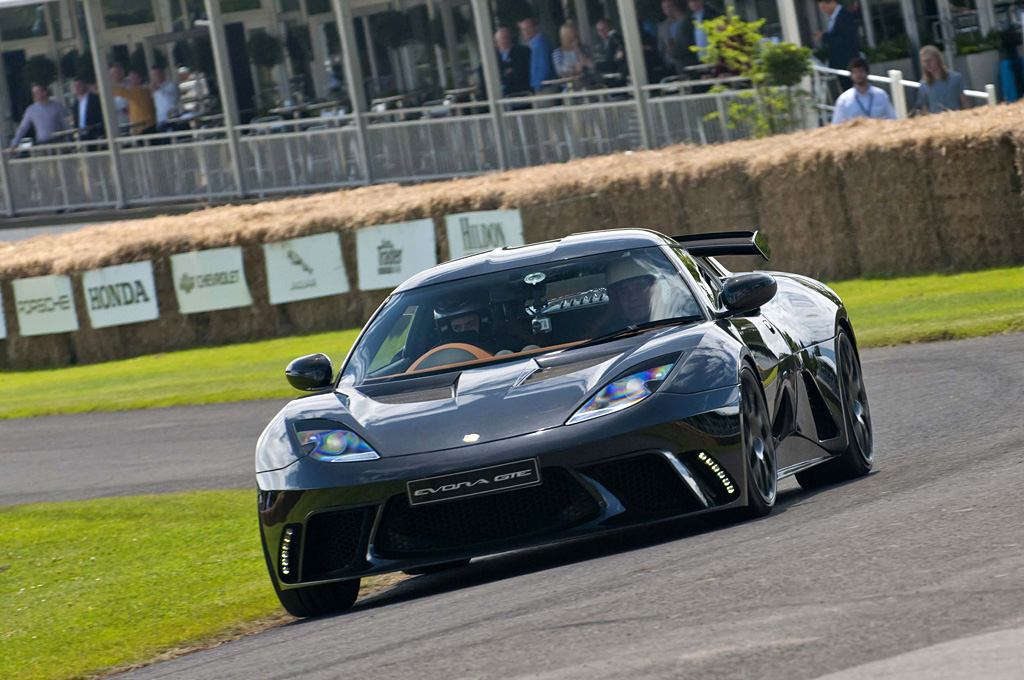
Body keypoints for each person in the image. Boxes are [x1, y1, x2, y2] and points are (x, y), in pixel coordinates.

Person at [831, 58, 896, 124]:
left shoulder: (881, 95)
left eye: (861, 71)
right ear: (851, 75)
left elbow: (892, 119)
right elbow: (837, 124)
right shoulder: (844, 99)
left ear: (867, 73)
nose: (858, 75)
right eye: (855, 72)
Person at [814, 0, 859, 87]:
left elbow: (843, 38)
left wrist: (824, 37)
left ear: (832, 2)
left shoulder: (844, 16)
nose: (823, 10)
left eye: (824, 7)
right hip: (840, 64)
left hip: (846, 62)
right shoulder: (836, 17)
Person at [915, 45, 970, 114]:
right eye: (924, 61)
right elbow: (924, 109)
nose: (927, 64)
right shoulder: (923, 85)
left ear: (937, 59)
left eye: (929, 60)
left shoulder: (955, 78)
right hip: (937, 122)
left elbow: (964, 102)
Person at [674, 0, 721, 71]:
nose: (693, 4)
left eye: (695, 1)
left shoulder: (713, 15)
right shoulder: (687, 21)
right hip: (698, 61)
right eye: (690, 2)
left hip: (715, 58)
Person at [517, 17, 557, 93]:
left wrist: (538, 84)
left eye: (528, 28)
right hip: (540, 86)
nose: (525, 32)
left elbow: (544, 66)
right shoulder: (533, 44)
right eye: (523, 29)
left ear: (536, 28)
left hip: (545, 87)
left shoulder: (541, 43)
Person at [113, 67, 157, 135]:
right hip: (141, 127)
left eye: (131, 78)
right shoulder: (139, 91)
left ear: (139, 79)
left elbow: (117, 91)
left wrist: (114, 80)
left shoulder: (140, 91)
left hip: (145, 127)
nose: (128, 80)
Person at [494, 27, 531, 95]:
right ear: (497, 41)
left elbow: (524, 70)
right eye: (501, 39)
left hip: (521, 91)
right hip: (501, 94)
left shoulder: (523, 51)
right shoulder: (492, 56)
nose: (504, 41)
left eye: (506, 37)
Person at [657, 0, 686, 75]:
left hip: (685, 60)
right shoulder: (662, 27)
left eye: (670, 6)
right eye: (665, 8)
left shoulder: (684, 22)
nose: (668, 9)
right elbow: (661, 47)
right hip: (670, 63)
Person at [150, 64, 182, 131]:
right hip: (161, 119)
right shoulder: (155, 89)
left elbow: (172, 100)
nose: (156, 77)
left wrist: (160, 89)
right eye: (154, 75)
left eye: (158, 74)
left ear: (163, 73)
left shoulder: (171, 85)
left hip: (172, 117)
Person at [108, 62, 132, 133]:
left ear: (122, 72)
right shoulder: (109, 88)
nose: (115, 75)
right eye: (112, 74)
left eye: (117, 72)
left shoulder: (130, 84)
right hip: (117, 124)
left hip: (131, 121)